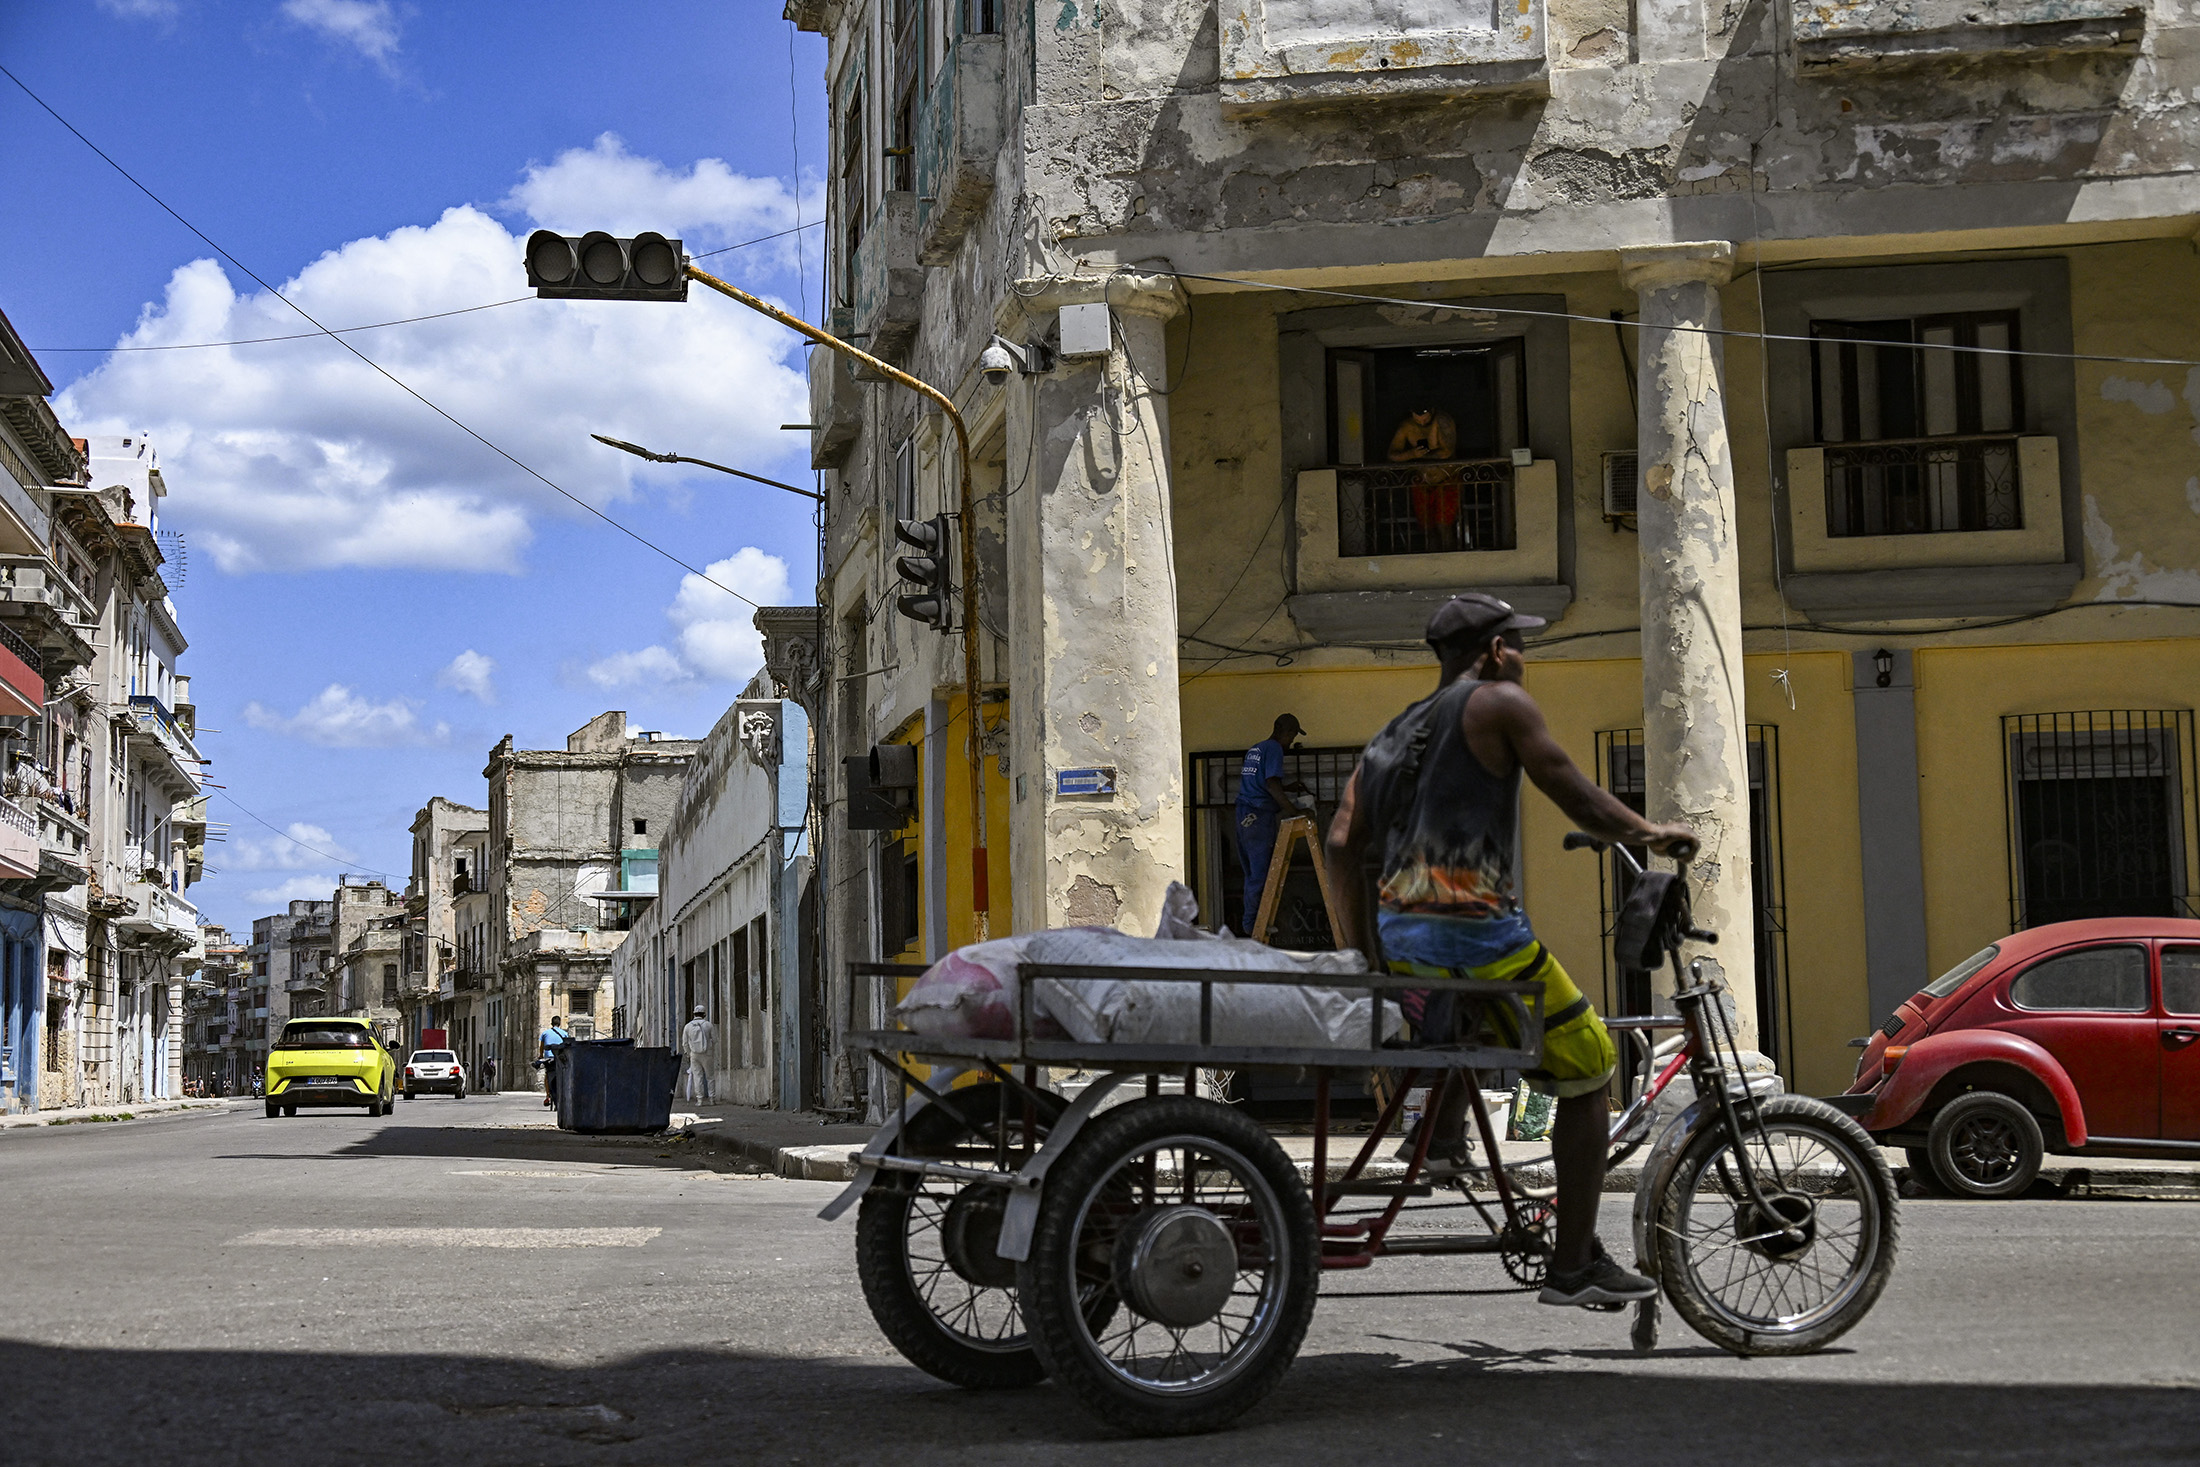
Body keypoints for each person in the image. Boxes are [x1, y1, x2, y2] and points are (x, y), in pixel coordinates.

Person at [1324, 591, 1697, 1309]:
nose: (1523, 657)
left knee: (1470, 1024)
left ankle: (1438, 1140)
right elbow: (1574, 792)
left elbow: (1343, 842)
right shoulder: (1498, 703)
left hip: (1407, 939)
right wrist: (1653, 833)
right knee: (1591, 1063)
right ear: (1494, 651)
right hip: (1477, 932)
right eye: (1518, 645)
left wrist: (1366, 953)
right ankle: (1571, 1265)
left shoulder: (1393, 732)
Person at [1235, 714, 1311, 931]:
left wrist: (1287, 789)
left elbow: (1259, 784)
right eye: (1292, 735)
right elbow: (1271, 785)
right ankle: (1255, 926)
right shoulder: (1275, 749)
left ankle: (1251, 923)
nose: (1290, 740)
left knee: (1251, 873)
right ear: (1284, 732)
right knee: (1261, 873)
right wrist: (1295, 811)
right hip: (1258, 816)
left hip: (1243, 815)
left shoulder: (1256, 749)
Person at [679, 1006, 716, 1104]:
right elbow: (715, 1039)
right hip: (707, 1053)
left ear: (694, 1014)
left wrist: (688, 1053)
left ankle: (699, 1099)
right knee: (710, 1076)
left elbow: (685, 1043)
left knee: (697, 1076)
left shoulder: (688, 1026)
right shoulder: (708, 1025)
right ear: (704, 1014)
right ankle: (712, 1098)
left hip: (694, 1054)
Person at [539, 1014, 571, 1109]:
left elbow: (542, 1047)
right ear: (560, 1024)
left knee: (547, 1076)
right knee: (563, 1076)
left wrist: (540, 1055)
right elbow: (567, 1046)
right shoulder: (564, 1033)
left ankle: (548, 1095)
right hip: (560, 1058)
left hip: (549, 1058)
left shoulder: (545, 1033)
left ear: (551, 1023)